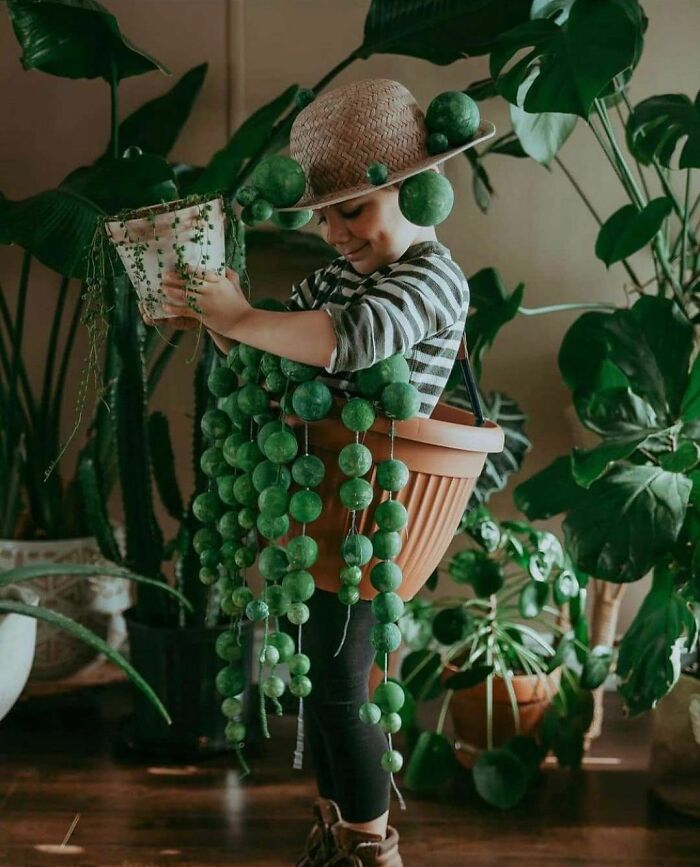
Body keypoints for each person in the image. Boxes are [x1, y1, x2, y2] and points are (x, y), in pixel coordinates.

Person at [139, 78, 493, 867]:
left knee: (341, 690)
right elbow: (278, 360)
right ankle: (336, 835)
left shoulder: (434, 279)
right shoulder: (332, 278)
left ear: (413, 187)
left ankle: (372, 850)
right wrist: (213, 318)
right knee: (324, 691)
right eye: (324, 214)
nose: (334, 232)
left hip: (368, 513)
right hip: (318, 504)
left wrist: (238, 314)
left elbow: (353, 341)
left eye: (353, 210)